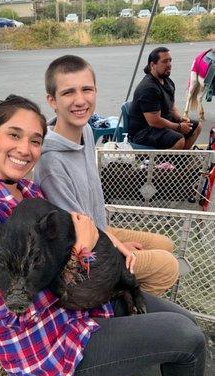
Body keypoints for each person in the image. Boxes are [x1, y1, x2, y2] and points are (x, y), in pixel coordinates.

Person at [0, 94, 206, 376]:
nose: (24, 149)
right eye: (14, 135)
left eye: (35, 140)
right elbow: (14, 307)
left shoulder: (27, 190)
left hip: (86, 307)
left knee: (188, 322)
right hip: (47, 347)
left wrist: (88, 249)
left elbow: (71, 239)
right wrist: (78, 257)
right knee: (186, 338)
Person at [33, 55, 179, 296]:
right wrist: (115, 246)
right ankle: (118, 307)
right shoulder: (51, 164)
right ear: (52, 101)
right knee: (166, 266)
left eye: (87, 89)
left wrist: (112, 237)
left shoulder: (87, 131)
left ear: (96, 91)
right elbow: (78, 238)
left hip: (100, 230)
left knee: (166, 244)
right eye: (68, 92)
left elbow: (93, 215)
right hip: (84, 257)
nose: (80, 100)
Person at [128, 47, 202, 149]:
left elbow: (171, 107)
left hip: (161, 125)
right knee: (179, 140)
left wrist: (180, 119)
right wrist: (179, 127)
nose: (169, 65)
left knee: (196, 127)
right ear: (152, 65)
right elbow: (154, 121)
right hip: (144, 131)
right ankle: (164, 164)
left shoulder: (168, 82)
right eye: (164, 61)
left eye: (170, 61)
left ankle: (180, 160)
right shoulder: (148, 88)